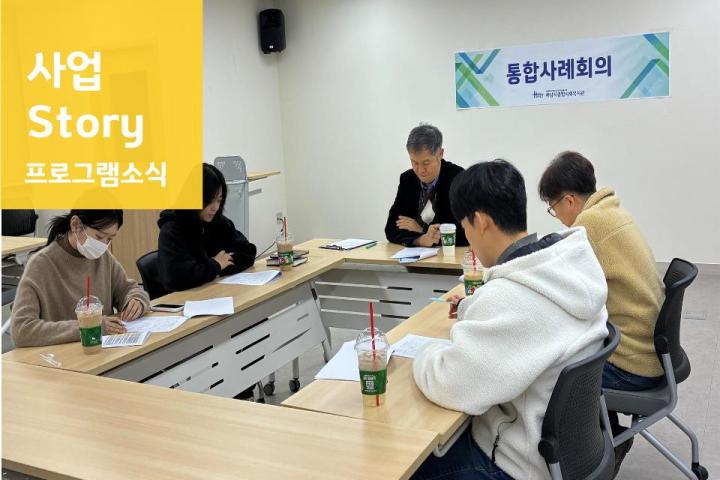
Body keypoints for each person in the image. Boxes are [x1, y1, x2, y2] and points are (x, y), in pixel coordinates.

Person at [412, 160, 608, 480]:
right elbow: (518, 324)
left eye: (466, 229)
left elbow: (451, 383)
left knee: (408, 460)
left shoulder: (510, 298)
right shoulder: (568, 267)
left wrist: (424, 353)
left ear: (481, 222)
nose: (469, 241)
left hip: (519, 464)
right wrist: (475, 307)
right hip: (571, 453)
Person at [539, 151, 665, 473]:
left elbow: (560, 285)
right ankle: (610, 435)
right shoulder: (612, 211)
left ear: (568, 200)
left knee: (554, 372)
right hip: (649, 349)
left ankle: (590, 454)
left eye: (553, 208)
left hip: (633, 362)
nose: (557, 216)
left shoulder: (589, 225)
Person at [11, 210, 150, 347]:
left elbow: (128, 288)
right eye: (99, 236)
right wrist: (88, 327)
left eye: (109, 239)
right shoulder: (41, 265)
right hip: (60, 356)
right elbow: (21, 330)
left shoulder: (102, 257)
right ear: (76, 225)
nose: (103, 245)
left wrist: (136, 300)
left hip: (103, 351)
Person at [157, 163, 257, 294]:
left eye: (219, 200)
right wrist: (216, 265)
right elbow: (177, 278)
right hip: (186, 299)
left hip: (217, 291)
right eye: (210, 200)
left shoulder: (219, 222)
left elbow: (248, 252)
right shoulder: (172, 230)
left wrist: (219, 268)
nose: (215, 207)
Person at [385, 124, 468, 247]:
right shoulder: (407, 179)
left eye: (426, 163)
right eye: (414, 162)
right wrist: (420, 240)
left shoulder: (458, 179)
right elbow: (391, 229)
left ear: (440, 153)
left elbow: (465, 233)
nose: (420, 170)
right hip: (415, 257)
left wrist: (421, 229)